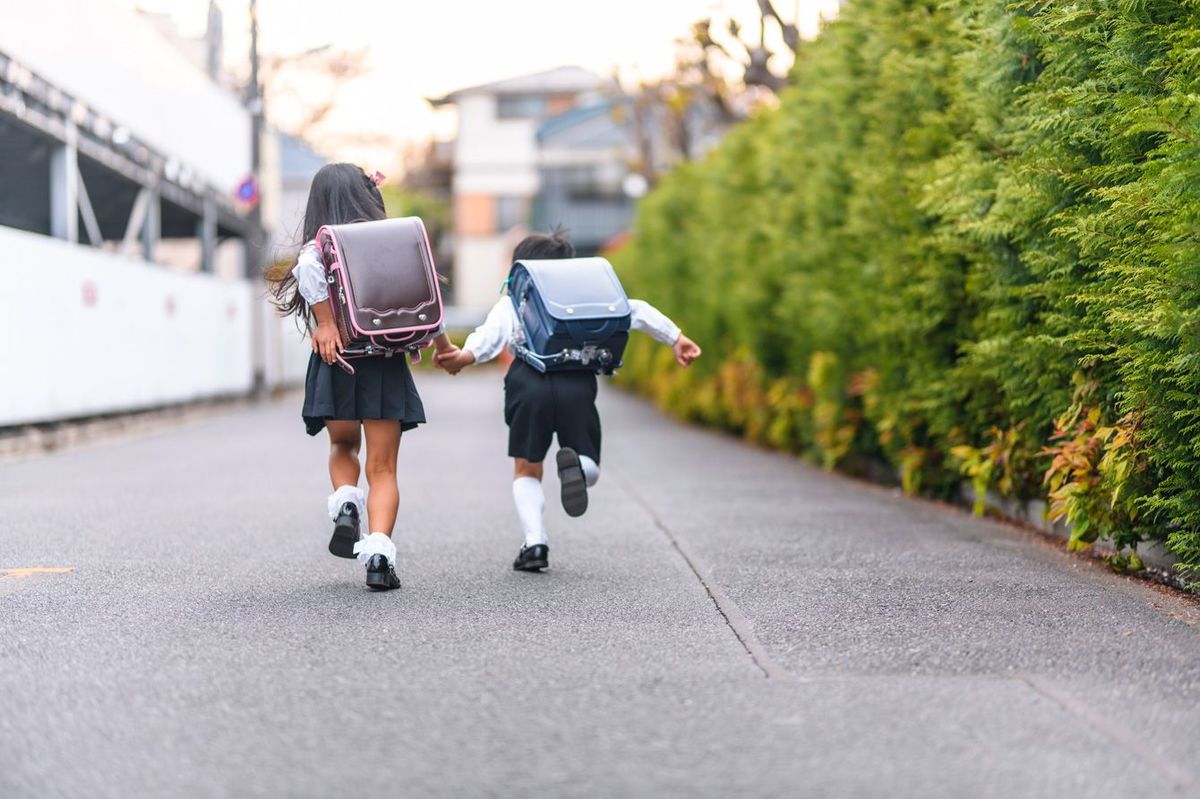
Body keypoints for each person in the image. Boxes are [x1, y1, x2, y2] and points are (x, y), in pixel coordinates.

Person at [434, 231, 701, 572]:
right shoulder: (588, 295)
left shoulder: (517, 298)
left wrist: (464, 357)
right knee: (588, 460)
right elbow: (636, 311)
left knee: (526, 467)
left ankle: (535, 544)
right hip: (577, 381)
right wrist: (676, 338)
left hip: (528, 382)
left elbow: (489, 336)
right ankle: (580, 467)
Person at [268, 163, 454, 591]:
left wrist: (325, 322)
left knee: (342, 445)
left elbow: (307, 271)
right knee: (384, 468)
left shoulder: (319, 246)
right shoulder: (397, 242)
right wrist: (444, 348)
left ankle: (347, 502)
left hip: (337, 361)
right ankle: (378, 556)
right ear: (369, 198)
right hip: (385, 363)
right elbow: (425, 292)